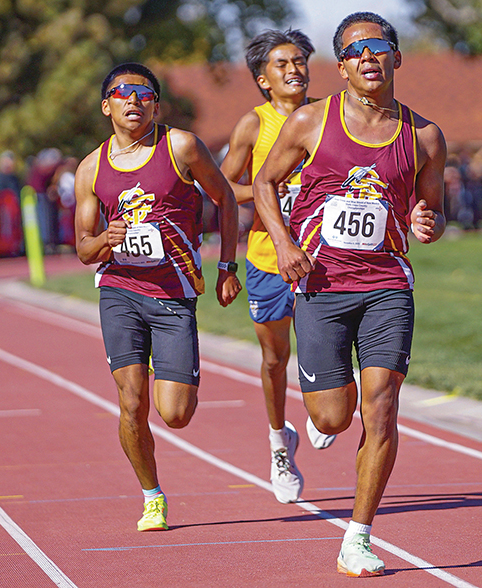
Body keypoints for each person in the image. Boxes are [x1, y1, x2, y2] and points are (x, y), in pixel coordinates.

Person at [252, 12, 446, 577]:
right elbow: (264, 184)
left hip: (386, 285)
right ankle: (318, 419)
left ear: (395, 58)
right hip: (321, 285)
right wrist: (285, 246)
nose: (368, 57)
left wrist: (427, 222)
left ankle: (357, 537)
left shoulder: (424, 135)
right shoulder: (311, 122)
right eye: (355, 50)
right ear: (341, 67)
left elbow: (428, 212)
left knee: (381, 406)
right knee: (335, 417)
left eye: (378, 46)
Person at [73, 62, 241, 532]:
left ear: (156, 105)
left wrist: (227, 265)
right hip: (120, 291)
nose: (134, 100)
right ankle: (152, 496)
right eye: (123, 93)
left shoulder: (181, 146)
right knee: (131, 403)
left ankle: (164, 360)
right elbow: (83, 249)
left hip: (173, 294)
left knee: (176, 414)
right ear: (107, 105)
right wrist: (106, 238)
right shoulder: (90, 168)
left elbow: (225, 199)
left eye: (144, 94)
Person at [220, 28, 336, 505]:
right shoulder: (254, 124)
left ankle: (323, 403)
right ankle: (278, 443)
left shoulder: (329, 115)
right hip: (268, 258)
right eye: (282, 64)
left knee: (329, 341)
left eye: (300, 61)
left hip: (325, 255)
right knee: (274, 358)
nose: (294, 70)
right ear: (263, 79)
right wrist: (271, 192)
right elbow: (224, 188)